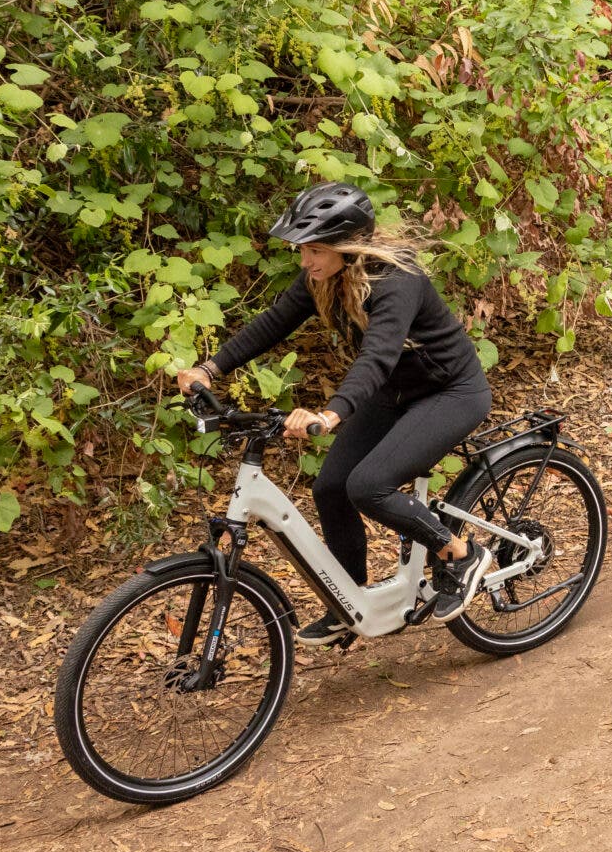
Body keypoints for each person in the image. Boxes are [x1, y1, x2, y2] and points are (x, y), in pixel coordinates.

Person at [174, 181, 493, 641]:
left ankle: (460, 554)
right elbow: (274, 323)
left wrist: (330, 414)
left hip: (451, 391)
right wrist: (210, 368)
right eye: (302, 250)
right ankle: (350, 599)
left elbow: (377, 356)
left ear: (348, 246)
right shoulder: (324, 277)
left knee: (368, 486)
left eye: (315, 250)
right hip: (394, 392)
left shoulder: (397, 280)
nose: (305, 261)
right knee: (330, 487)